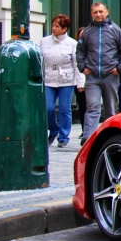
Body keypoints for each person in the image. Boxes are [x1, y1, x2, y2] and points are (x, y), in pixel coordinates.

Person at [76, 2, 121, 142]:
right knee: (92, 107)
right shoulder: (87, 32)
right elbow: (80, 51)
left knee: (110, 109)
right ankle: (88, 138)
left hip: (110, 75)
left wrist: (119, 68)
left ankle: (109, 138)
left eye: (101, 11)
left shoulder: (115, 30)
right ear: (91, 14)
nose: (98, 14)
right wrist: (83, 67)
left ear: (106, 11)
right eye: (95, 12)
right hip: (92, 76)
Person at [40, 14, 84, 148]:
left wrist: (80, 82)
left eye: (57, 26)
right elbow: (40, 61)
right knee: (48, 108)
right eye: (53, 25)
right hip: (49, 79)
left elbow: (77, 65)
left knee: (65, 109)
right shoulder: (44, 41)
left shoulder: (72, 44)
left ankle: (63, 136)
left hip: (66, 80)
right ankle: (53, 129)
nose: (54, 28)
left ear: (64, 28)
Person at [74, 27, 87, 127]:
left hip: (92, 80)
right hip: (78, 80)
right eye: (80, 34)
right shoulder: (75, 47)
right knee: (82, 106)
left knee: (91, 106)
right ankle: (84, 129)